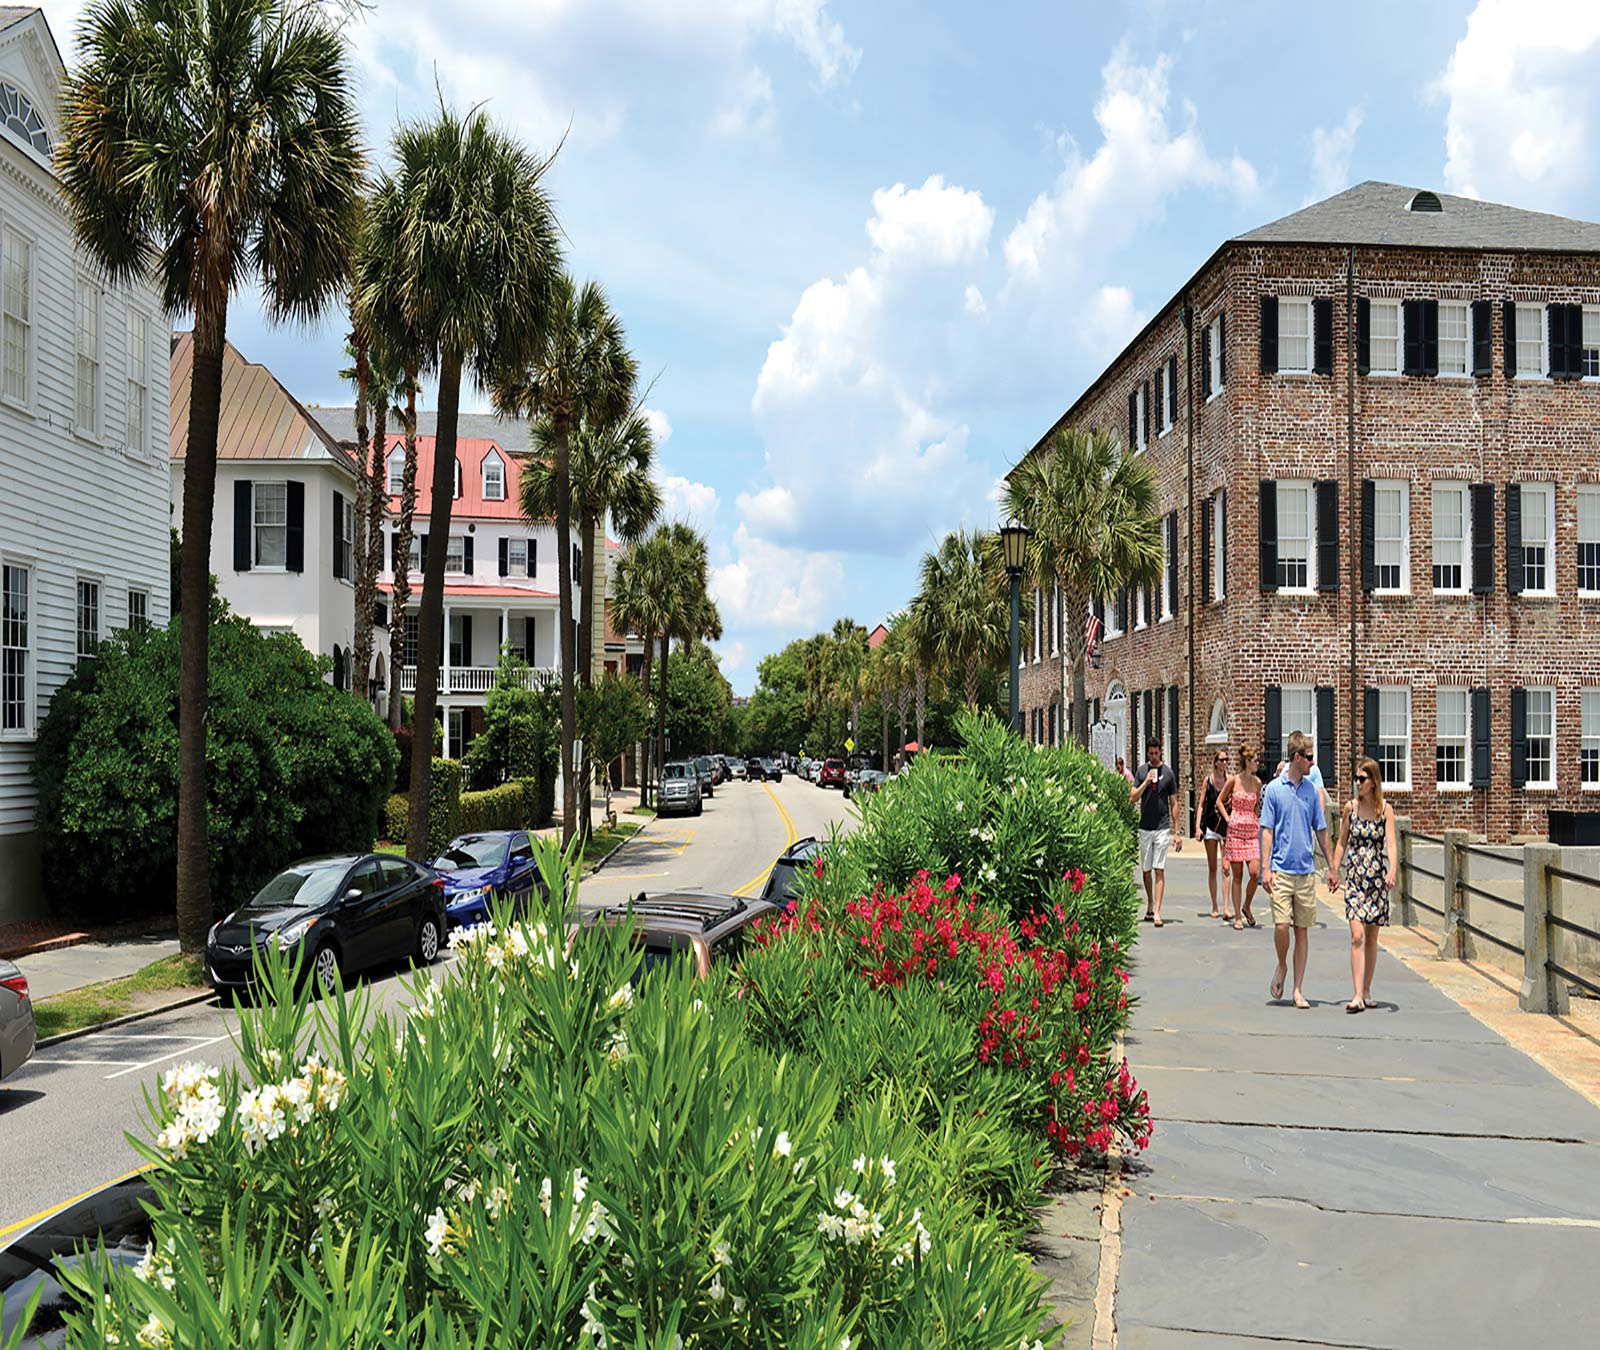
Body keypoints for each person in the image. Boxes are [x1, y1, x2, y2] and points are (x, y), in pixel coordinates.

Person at [1259, 730, 1334, 1009]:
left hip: (1305, 871)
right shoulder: (1275, 790)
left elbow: (1321, 830)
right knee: (1282, 926)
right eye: (1310, 758)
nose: (1314, 763)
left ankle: (1298, 990)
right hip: (1280, 869)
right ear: (1297, 757)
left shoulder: (1311, 792)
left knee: (1302, 930)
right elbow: (1266, 831)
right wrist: (1265, 868)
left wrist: (1332, 867)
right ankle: (1282, 964)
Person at [1328, 756, 1397, 1013]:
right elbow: (1341, 842)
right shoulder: (1350, 808)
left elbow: (1391, 843)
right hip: (1356, 878)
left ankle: (1367, 990)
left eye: (1362, 779)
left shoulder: (1385, 810)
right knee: (1356, 936)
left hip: (1376, 880)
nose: (1358, 783)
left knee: (1371, 937)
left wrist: (1392, 870)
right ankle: (1357, 994)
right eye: (1356, 779)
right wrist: (1334, 870)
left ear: (1373, 781)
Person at [1131, 737, 1182, 926]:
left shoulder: (1168, 774)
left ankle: (1158, 911)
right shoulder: (1141, 771)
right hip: (1145, 826)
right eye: (1151, 753)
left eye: (1156, 753)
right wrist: (1145, 783)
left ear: (1161, 752)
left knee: (1159, 869)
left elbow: (1174, 802)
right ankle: (1150, 903)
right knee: (1146, 871)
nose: (1154, 756)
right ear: (1147, 753)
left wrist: (1177, 832)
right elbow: (1132, 797)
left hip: (1162, 827)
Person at [1218, 744, 1263, 930]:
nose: (1257, 764)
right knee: (1237, 875)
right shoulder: (1233, 781)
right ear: (1247, 762)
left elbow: (1257, 805)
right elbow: (1219, 800)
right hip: (1236, 830)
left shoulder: (1257, 783)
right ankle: (1238, 916)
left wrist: (1256, 818)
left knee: (1255, 873)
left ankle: (1246, 905)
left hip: (1251, 831)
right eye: (1255, 761)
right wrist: (1229, 819)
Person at [1194, 749, 1230, 920]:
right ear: (1216, 762)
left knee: (1226, 868)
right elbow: (1201, 804)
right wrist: (1197, 827)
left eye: (1226, 760)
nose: (1224, 763)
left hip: (1225, 828)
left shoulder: (1229, 781)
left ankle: (1226, 907)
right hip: (1210, 827)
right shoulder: (1208, 781)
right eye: (1222, 760)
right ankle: (1215, 905)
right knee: (1213, 868)